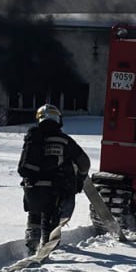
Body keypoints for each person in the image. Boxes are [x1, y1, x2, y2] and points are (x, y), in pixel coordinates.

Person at [17, 103, 90, 253]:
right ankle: (48, 248)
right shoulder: (64, 140)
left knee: (34, 214)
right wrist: (80, 179)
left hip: (32, 188)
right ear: (59, 119)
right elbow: (84, 163)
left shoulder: (32, 138)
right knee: (50, 220)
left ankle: (32, 243)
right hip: (55, 189)